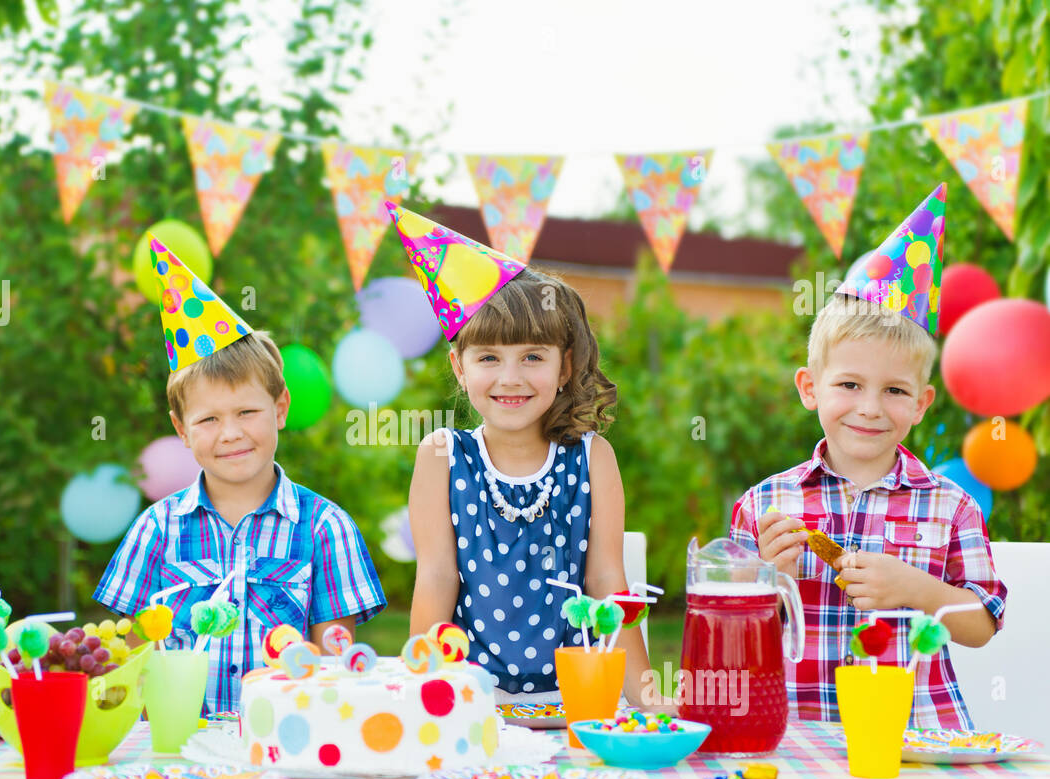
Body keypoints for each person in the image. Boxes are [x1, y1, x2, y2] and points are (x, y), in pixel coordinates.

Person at [730, 184, 1007, 729]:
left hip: (918, 739)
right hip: (797, 737)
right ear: (811, 388)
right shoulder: (764, 504)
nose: (870, 409)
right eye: (850, 385)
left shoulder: (952, 508)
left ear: (922, 404)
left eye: (895, 391)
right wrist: (766, 581)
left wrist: (916, 589)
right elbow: (737, 638)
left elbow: (982, 625)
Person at [94, 234, 386, 714]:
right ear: (181, 430)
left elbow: (336, 669)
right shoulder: (156, 530)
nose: (230, 433)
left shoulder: (325, 528)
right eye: (208, 419)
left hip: (290, 746)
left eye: (247, 412)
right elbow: (129, 654)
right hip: (181, 749)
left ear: (280, 408)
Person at [396, 204, 669, 709]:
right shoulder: (442, 456)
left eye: (532, 357)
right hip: (474, 704)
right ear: (459, 367)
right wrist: (427, 694)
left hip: (581, 702)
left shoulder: (592, 458)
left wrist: (650, 700)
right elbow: (435, 577)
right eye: (489, 358)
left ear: (564, 366)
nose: (511, 377)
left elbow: (607, 580)